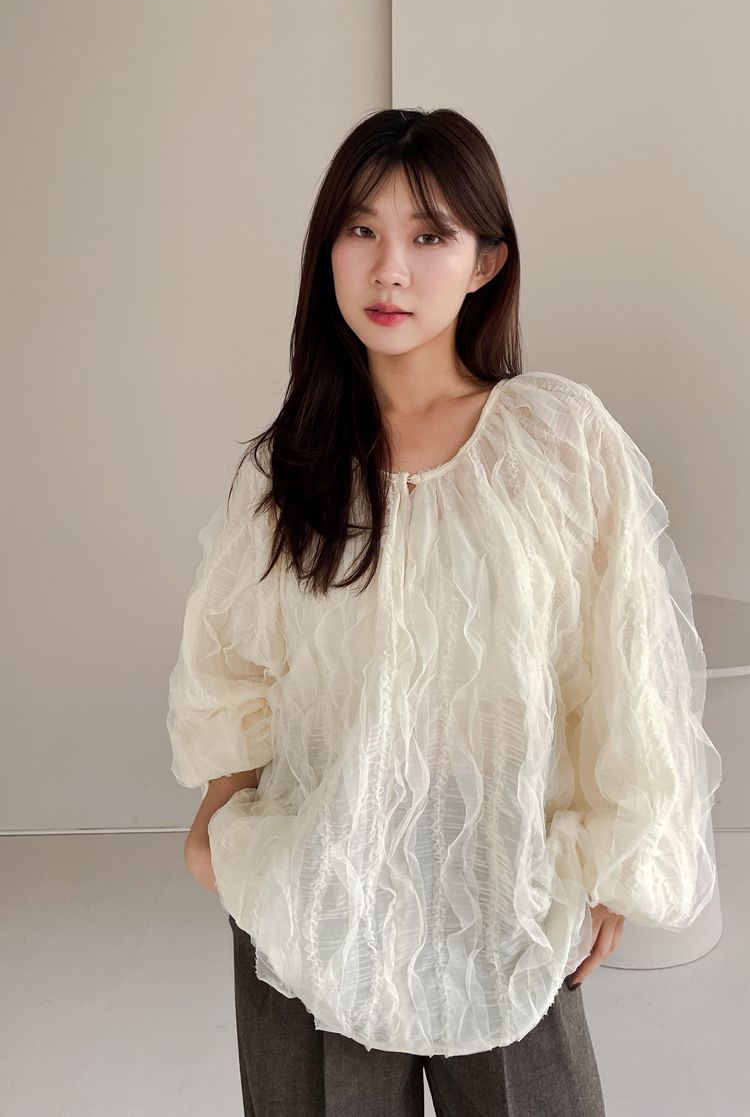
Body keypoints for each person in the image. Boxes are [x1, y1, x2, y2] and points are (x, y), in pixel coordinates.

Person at [167, 107, 721, 1116]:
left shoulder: (557, 438)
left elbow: (627, 661)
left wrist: (612, 863)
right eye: (361, 229)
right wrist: (218, 816)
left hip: (502, 874)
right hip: (314, 882)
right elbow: (232, 660)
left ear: (485, 262)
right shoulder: (288, 466)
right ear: (327, 250)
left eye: (430, 235)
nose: (390, 269)